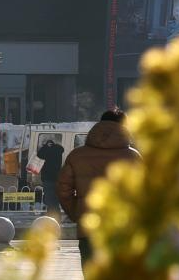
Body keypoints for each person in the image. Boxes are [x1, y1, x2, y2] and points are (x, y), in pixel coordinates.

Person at [56, 109, 140, 270]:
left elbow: (63, 190)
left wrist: (77, 213)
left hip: (88, 226)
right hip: (122, 227)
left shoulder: (77, 156)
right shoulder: (133, 157)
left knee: (91, 275)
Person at [38, 137, 65, 213]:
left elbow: (39, 155)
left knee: (49, 199)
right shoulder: (58, 150)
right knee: (55, 199)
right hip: (57, 178)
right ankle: (57, 215)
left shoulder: (45, 151)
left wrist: (45, 146)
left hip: (48, 179)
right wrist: (54, 145)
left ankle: (51, 214)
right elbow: (61, 148)